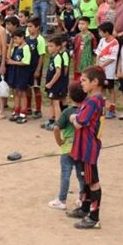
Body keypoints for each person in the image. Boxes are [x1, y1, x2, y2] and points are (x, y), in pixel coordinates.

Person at [67, 65, 106, 229]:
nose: (81, 83)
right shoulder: (97, 99)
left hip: (88, 147)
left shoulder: (92, 102)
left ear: (95, 82)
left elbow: (79, 122)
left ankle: (94, 217)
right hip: (84, 146)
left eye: (84, 80)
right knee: (85, 178)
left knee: (92, 181)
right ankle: (84, 208)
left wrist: (72, 117)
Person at [48, 82, 88, 210]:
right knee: (81, 176)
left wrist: (59, 141)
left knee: (65, 175)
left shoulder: (67, 112)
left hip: (67, 149)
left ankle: (61, 200)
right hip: (81, 148)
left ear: (70, 96)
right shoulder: (86, 111)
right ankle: (82, 199)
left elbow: (56, 128)